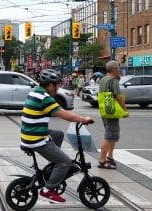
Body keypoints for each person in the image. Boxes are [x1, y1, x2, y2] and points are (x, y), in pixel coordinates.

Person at [20, 69, 95, 203]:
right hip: (36, 139)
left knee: (58, 135)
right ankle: (47, 190)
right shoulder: (45, 98)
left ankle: (52, 168)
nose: (58, 88)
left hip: (29, 134)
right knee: (65, 162)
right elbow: (64, 114)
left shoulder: (35, 92)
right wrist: (83, 119)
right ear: (50, 86)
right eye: (57, 85)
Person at [97, 60, 127, 169]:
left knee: (111, 135)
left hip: (104, 110)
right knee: (109, 136)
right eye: (118, 68)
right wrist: (125, 110)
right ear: (114, 69)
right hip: (112, 111)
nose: (119, 70)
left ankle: (110, 156)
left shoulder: (103, 80)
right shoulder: (113, 81)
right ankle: (102, 160)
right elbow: (118, 97)